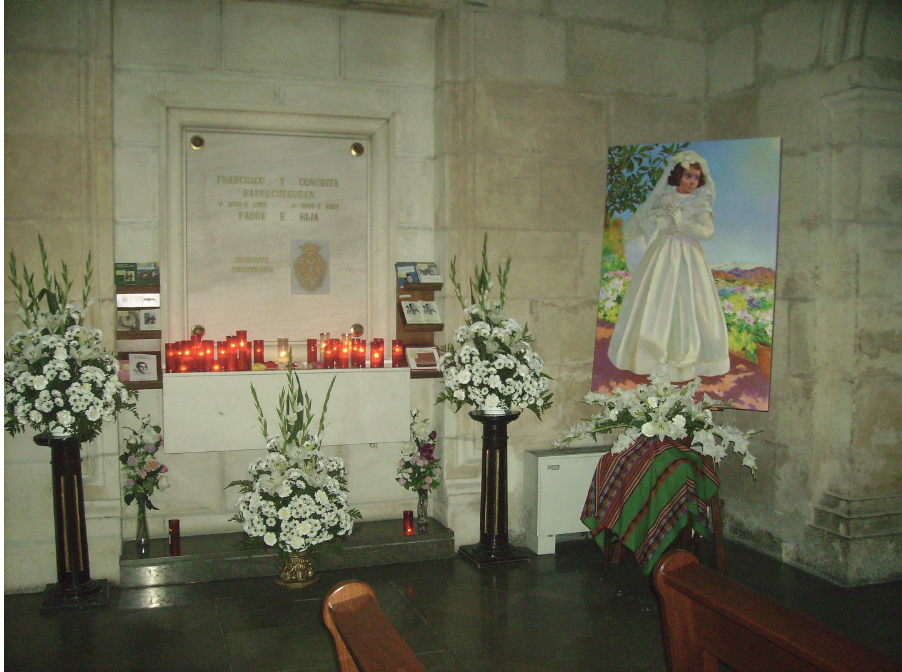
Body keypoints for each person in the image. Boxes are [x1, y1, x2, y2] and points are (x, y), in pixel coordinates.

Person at [607, 150, 730, 382]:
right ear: (678, 176)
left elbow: (707, 232)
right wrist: (660, 221)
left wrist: (683, 225)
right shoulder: (664, 199)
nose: (692, 182)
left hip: (688, 257)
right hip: (662, 252)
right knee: (656, 297)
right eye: (688, 176)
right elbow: (644, 221)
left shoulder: (699, 203)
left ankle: (689, 358)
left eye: (696, 177)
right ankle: (649, 355)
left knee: (689, 299)